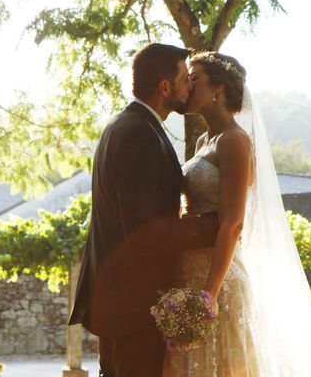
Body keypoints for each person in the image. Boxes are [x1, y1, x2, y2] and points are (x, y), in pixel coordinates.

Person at [164, 51, 311, 376]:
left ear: (219, 89)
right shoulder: (203, 141)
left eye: (195, 78)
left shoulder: (235, 141)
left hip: (217, 278)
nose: (188, 84)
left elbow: (233, 221)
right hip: (189, 271)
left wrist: (209, 293)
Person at [68, 43, 220, 377]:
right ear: (164, 87)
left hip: (119, 300)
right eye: (184, 79)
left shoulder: (128, 125)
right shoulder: (139, 135)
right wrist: (215, 227)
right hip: (133, 306)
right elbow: (146, 230)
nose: (189, 86)